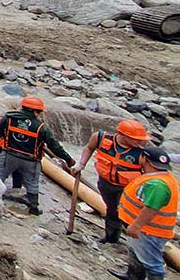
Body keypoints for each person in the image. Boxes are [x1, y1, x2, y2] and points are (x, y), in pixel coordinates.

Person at [0, 96, 75, 215]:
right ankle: (34, 208)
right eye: (39, 112)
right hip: (30, 161)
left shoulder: (9, 118)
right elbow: (53, 145)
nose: (40, 114)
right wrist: (68, 159)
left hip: (9, 155)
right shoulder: (41, 127)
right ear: (34, 112)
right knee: (32, 184)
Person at [72, 120, 150, 245]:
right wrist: (81, 164)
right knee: (112, 211)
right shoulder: (100, 138)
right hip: (105, 183)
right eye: (135, 139)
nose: (140, 142)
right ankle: (111, 238)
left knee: (127, 215)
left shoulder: (142, 153)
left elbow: (149, 175)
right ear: (123, 135)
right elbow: (89, 147)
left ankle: (140, 244)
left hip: (127, 189)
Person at [109, 148, 177, 280]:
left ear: (144, 159)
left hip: (149, 231)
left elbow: (151, 208)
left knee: (152, 263)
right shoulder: (158, 177)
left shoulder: (157, 184)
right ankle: (133, 276)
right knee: (136, 253)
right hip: (145, 229)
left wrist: (136, 225)